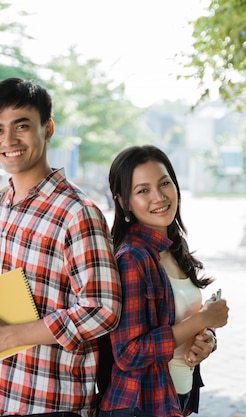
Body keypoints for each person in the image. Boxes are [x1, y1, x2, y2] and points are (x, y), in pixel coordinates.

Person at [0, 77, 122, 417]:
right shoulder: (3, 203)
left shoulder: (77, 212)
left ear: (48, 129)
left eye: (21, 126)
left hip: (48, 404)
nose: (8, 140)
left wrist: (8, 337)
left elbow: (102, 309)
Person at [98, 145, 229, 417]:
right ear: (124, 202)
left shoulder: (171, 248)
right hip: (140, 404)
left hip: (173, 398)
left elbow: (183, 319)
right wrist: (202, 320)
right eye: (143, 190)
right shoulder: (133, 258)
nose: (159, 196)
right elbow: (129, 353)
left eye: (164, 183)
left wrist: (206, 339)